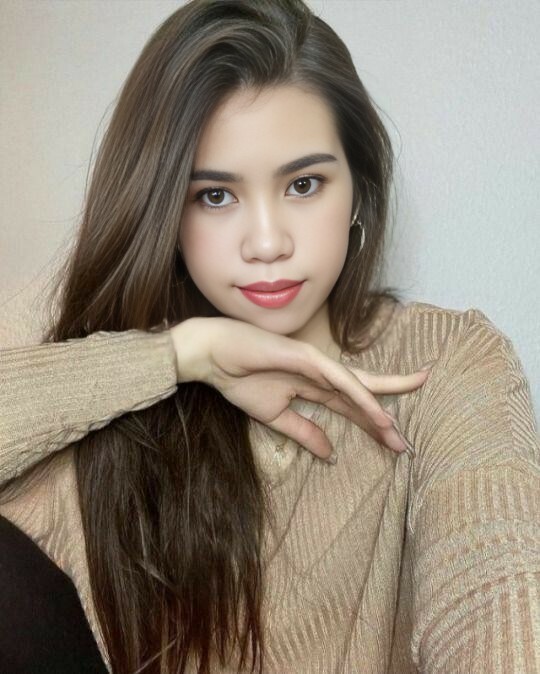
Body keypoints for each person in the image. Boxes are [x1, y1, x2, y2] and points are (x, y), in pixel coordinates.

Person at [0, 1, 538, 672]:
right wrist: (178, 356)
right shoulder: (99, 381)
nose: (266, 243)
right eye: (215, 196)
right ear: (165, 211)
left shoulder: (447, 362)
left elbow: (498, 587)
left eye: (304, 184)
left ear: (358, 190)